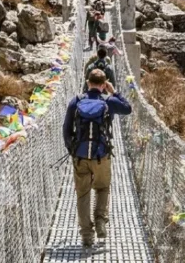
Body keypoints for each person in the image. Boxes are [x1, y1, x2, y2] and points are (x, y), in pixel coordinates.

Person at [62, 69, 132, 248]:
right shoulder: (108, 101)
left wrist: (72, 149)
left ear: (87, 82)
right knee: (102, 188)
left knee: (82, 194)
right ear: (103, 84)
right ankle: (100, 220)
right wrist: (114, 91)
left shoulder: (76, 101)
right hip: (102, 155)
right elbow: (128, 108)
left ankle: (86, 235)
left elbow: (66, 128)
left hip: (80, 155)